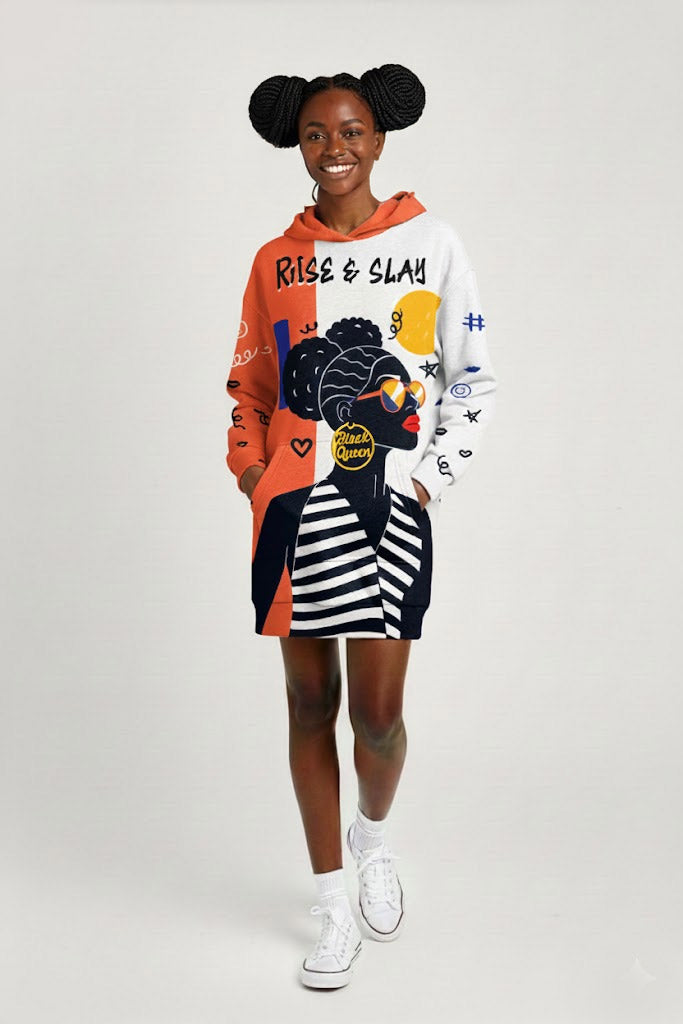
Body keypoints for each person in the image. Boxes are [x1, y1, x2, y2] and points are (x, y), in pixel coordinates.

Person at [226, 64, 497, 989]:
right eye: (315, 134)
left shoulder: (433, 243)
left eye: (349, 131)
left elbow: (472, 378)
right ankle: (331, 904)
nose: (333, 148)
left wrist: (428, 480)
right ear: (296, 145)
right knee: (309, 706)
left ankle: (371, 840)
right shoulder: (275, 260)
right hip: (291, 518)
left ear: (378, 139)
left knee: (377, 720)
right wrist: (254, 474)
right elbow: (249, 387)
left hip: (393, 513)